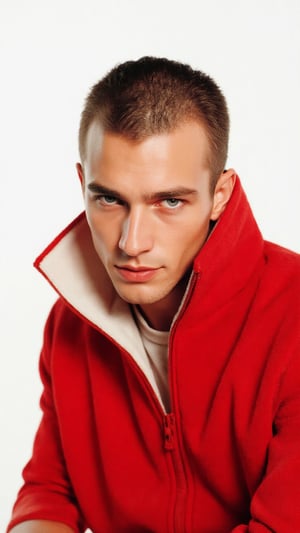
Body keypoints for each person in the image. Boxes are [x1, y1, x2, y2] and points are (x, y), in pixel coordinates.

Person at [7, 56, 300, 533]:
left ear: (219, 195)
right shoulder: (71, 324)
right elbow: (50, 492)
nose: (131, 242)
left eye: (169, 201)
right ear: (82, 185)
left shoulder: (293, 314)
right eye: (109, 199)